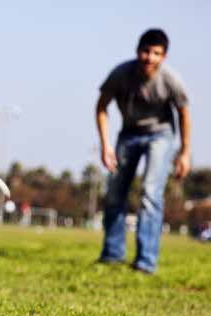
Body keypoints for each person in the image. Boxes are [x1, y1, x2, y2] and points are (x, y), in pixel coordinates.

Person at [95, 29, 191, 273]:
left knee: (150, 192)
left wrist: (184, 152)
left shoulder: (170, 80)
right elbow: (102, 107)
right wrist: (105, 145)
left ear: (164, 56)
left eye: (157, 53)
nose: (150, 57)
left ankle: (146, 261)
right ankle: (112, 254)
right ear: (138, 51)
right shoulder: (121, 74)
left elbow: (183, 114)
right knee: (115, 192)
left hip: (160, 135)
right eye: (146, 51)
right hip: (128, 134)